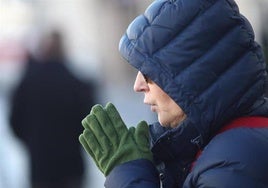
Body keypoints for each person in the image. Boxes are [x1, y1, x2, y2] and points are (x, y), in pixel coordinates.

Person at [79, 0, 268, 187]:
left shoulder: (232, 161)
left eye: (149, 71)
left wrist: (129, 175)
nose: (138, 85)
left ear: (192, 75)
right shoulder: (228, 148)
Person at [9, 30, 96, 188]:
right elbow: (90, 121)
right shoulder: (76, 83)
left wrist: (33, 142)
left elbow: (15, 122)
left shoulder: (27, 83)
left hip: (40, 166)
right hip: (71, 166)